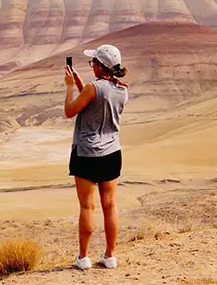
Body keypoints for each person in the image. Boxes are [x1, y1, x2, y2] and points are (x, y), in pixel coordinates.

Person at [64, 44, 128, 270]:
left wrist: (71, 87)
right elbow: (97, 103)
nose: (93, 66)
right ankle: (110, 256)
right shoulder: (122, 89)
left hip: (87, 153)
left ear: (102, 66)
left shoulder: (93, 88)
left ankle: (83, 258)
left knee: (87, 208)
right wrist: (84, 84)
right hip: (111, 152)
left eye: (94, 63)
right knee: (110, 205)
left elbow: (71, 110)